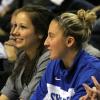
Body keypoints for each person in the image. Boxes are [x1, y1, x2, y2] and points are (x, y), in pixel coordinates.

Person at [30, 8, 100, 100]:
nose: (45, 43)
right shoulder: (53, 65)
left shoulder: (92, 71)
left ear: (69, 41)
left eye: (51, 36)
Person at [0, 4, 54, 100]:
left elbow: (29, 96)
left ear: (40, 33)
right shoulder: (23, 55)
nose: (14, 32)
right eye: (15, 26)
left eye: (23, 27)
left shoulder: (48, 58)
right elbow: (8, 91)